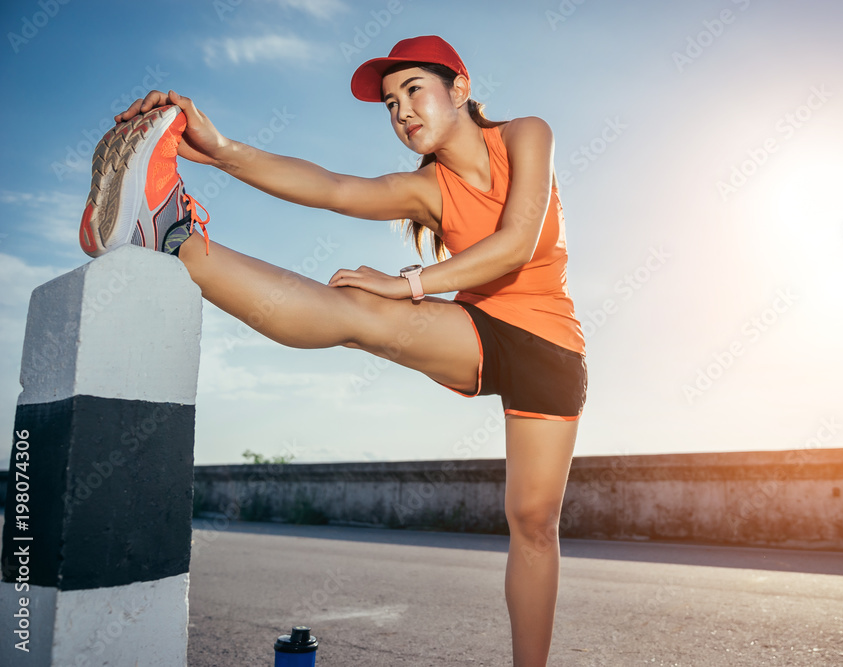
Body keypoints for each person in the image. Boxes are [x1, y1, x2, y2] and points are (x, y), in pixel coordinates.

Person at [79, 35, 586, 666]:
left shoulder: (526, 135)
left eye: (413, 90)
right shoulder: (427, 188)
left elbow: (519, 240)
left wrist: (408, 283)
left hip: (552, 347)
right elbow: (334, 187)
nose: (401, 112)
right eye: (389, 103)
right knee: (360, 316)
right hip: (481, 327)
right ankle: (172, 234)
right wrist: (221, 152)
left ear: (459, 88)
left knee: (533, 525)